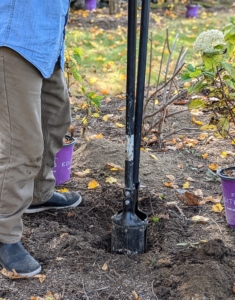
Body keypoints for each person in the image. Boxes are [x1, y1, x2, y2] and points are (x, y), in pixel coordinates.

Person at [0, 1, 82, 277]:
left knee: (55, 119)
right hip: (14, 36)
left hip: (46, 38)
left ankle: (38, 194)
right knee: (20, 143)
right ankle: (4, 233)